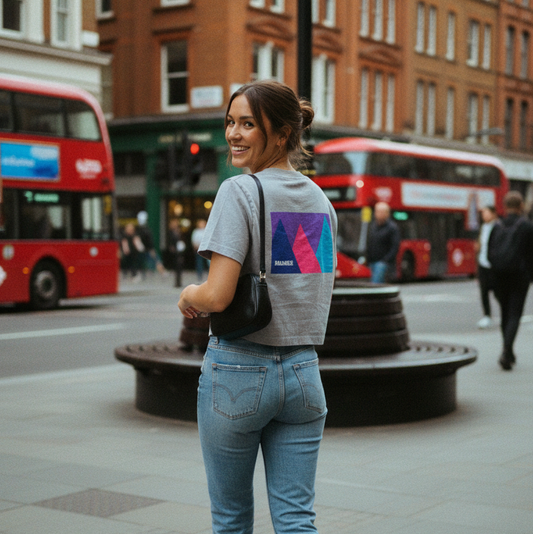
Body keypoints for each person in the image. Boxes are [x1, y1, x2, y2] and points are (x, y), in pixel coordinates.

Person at [178, 80, 337, 533]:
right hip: (304, 376)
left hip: (238, 374)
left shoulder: (239, 192)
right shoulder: (321, 202)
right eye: (230, 122)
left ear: (282, 134)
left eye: (248, 124)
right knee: (296, 520)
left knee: (231, 520)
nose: (234, 133)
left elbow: (218, 295)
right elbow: (306, 290)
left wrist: (188, 295)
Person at [488, 191, 533, 370]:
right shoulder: (527, 227)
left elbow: (489, 252)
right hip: (519, 277)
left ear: (505, 206)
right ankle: (507, 351)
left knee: (505, 313)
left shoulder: (496, 226)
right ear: (521, 206)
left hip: (499, 276)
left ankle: (508, 350)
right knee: (514, 314)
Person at [366, 201, 400, 283]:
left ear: (387, 214)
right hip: (372, 261)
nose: (378, 214)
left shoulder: (392, 228)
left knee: (375, 283)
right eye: (377, 211)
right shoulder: (373, 226)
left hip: (383, 262)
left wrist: (385, 260)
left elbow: (395, 246)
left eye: (381, 212)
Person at [475, 205, 498, 329]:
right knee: (483, 291)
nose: (484, 215)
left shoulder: (499, 227)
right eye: (483, 213)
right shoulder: (483, 227)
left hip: (494, 265)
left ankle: (506, 313)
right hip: (483, 263)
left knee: (498, 292)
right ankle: (487, 316)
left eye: (486, 213)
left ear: (494, 214)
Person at [136, 210, 166, 277]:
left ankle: (161, 272)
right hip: (146, 249)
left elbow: (148, 240)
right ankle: (161, 272)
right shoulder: (145, 230)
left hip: (146, 249)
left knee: (155, 260)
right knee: (155, 260)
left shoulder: (143, 230)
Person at [167, 218, 185, 287]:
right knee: (177, 266)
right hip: (175, 252)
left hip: (179, 251)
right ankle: (177, 282)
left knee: (179, 267)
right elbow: (170, 242)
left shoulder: (178, 232)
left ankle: (179, 282)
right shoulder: (171, 232)